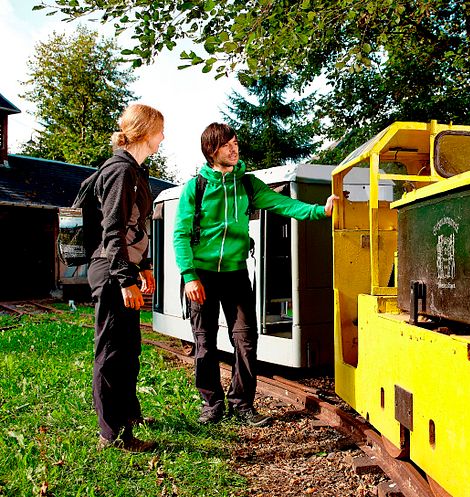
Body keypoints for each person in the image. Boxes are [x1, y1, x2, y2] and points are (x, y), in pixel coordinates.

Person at [173, 123, 337, 426]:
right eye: (228, 145)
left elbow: (284, 204)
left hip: (236, 274)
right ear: (212, 150)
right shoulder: (195, 188)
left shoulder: (247, 185)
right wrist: (188, 275)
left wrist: (320, 212)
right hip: (202, 276)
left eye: (236, 143)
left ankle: (241, 403)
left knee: (246, 340)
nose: (235, 149)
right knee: (205, 342)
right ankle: (212, 404)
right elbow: (180, 234)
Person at [89, 103, 164, 452]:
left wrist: (144, 266)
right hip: (111, 271)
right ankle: (112, 433)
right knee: (111, 351)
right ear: (146, 132)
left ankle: (128, 413)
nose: (163, 137)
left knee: (130, 348)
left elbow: (137, 227)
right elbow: (113, 231)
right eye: (160, 130)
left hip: (125, 268)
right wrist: (125, 279)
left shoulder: (137, 172)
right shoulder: (119, 171)